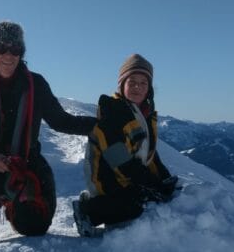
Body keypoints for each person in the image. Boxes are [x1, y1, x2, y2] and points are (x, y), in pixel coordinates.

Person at [0, 21, 97, 244]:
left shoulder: (35, 84)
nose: (9, 55)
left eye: (15, 49)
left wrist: (99, 125)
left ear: (21, 53)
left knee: (35, 227)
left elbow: (61, 121)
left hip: (26, 162)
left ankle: (15, 204)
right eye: (1, 48)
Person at [73, 54, 178, 237]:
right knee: (135, 204)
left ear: (149, 88)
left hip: (129, 176)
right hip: (106, 178)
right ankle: (87, 210)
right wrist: (150, 182)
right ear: (122, 85)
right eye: (132, 82)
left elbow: (149, 155)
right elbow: (117, 158)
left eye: (143, 83)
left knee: (157, 197)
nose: (138, 87)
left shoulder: (144, 114)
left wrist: (164, 179)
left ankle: (113, 205)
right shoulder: (112, 112)